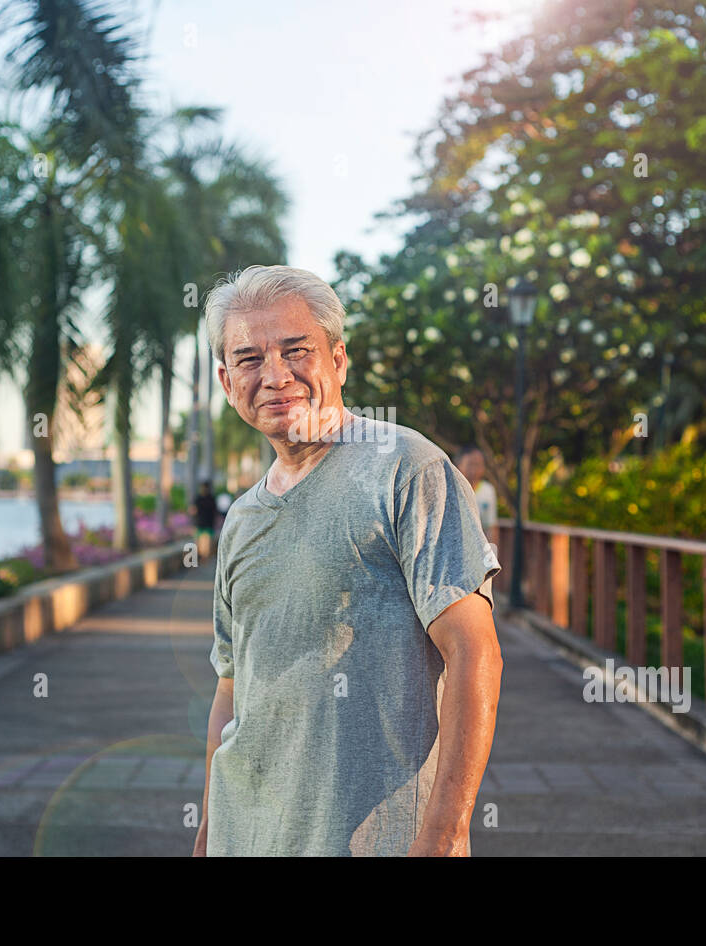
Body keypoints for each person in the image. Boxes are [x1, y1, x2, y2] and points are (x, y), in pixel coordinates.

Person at [193, 264, 502, 857]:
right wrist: (209, 836)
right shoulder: (241, 519)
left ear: (338, 359)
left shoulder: (408, 469)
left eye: (295, 350)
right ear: (228, 381)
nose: (275, 376)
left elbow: (476, 653)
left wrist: (444, 836)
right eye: (250, 359)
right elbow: (232, 691)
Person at [455, 445, 499, 553]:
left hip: (477, 554)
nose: (475, 470)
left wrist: (491, 558)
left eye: (478, 465)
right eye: (471, 464)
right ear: (459, 465)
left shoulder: (488, 491)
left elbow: (490, 527)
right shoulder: (451, 488)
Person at [192, 480, 218, 558]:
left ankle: (204, 559)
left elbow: (193, 511)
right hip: (203, 524)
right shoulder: (211, 498)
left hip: (204, 524)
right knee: (203, 545)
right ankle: (204, 559)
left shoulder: (199, 499)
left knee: (204, 545)